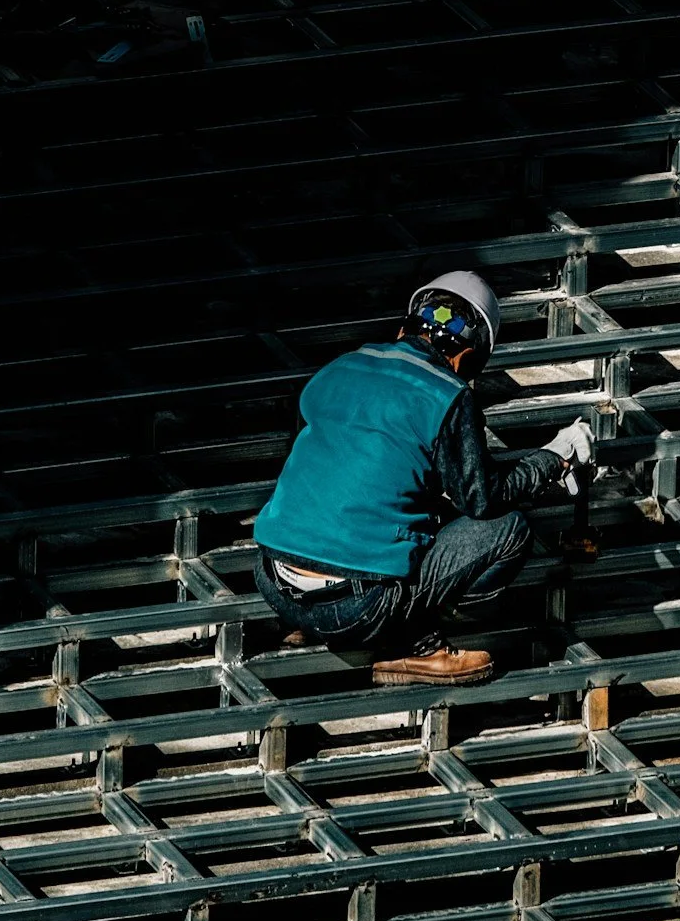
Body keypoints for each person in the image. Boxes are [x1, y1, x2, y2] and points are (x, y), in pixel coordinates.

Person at [252, 269, 592, 686]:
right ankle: (414, 645)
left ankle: (311, 622)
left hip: (273, 582)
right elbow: (482, 500)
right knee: (510, 531)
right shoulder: (448, 394)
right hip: (356, 608)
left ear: (403, 329)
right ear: (469, 356)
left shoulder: (339, 366)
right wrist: (551, 460)